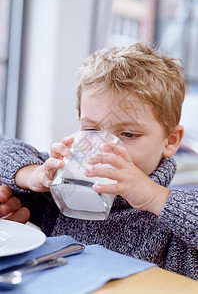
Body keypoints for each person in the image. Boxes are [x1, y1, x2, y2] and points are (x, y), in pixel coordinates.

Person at [0, 43, 197, 280]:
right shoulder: (64, 189)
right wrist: (32, 174)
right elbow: (5, 148)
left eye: (129, 134)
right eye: (92, 130)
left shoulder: (171, 223)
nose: (106, 147)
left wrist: (154, 197)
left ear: (170, 140)